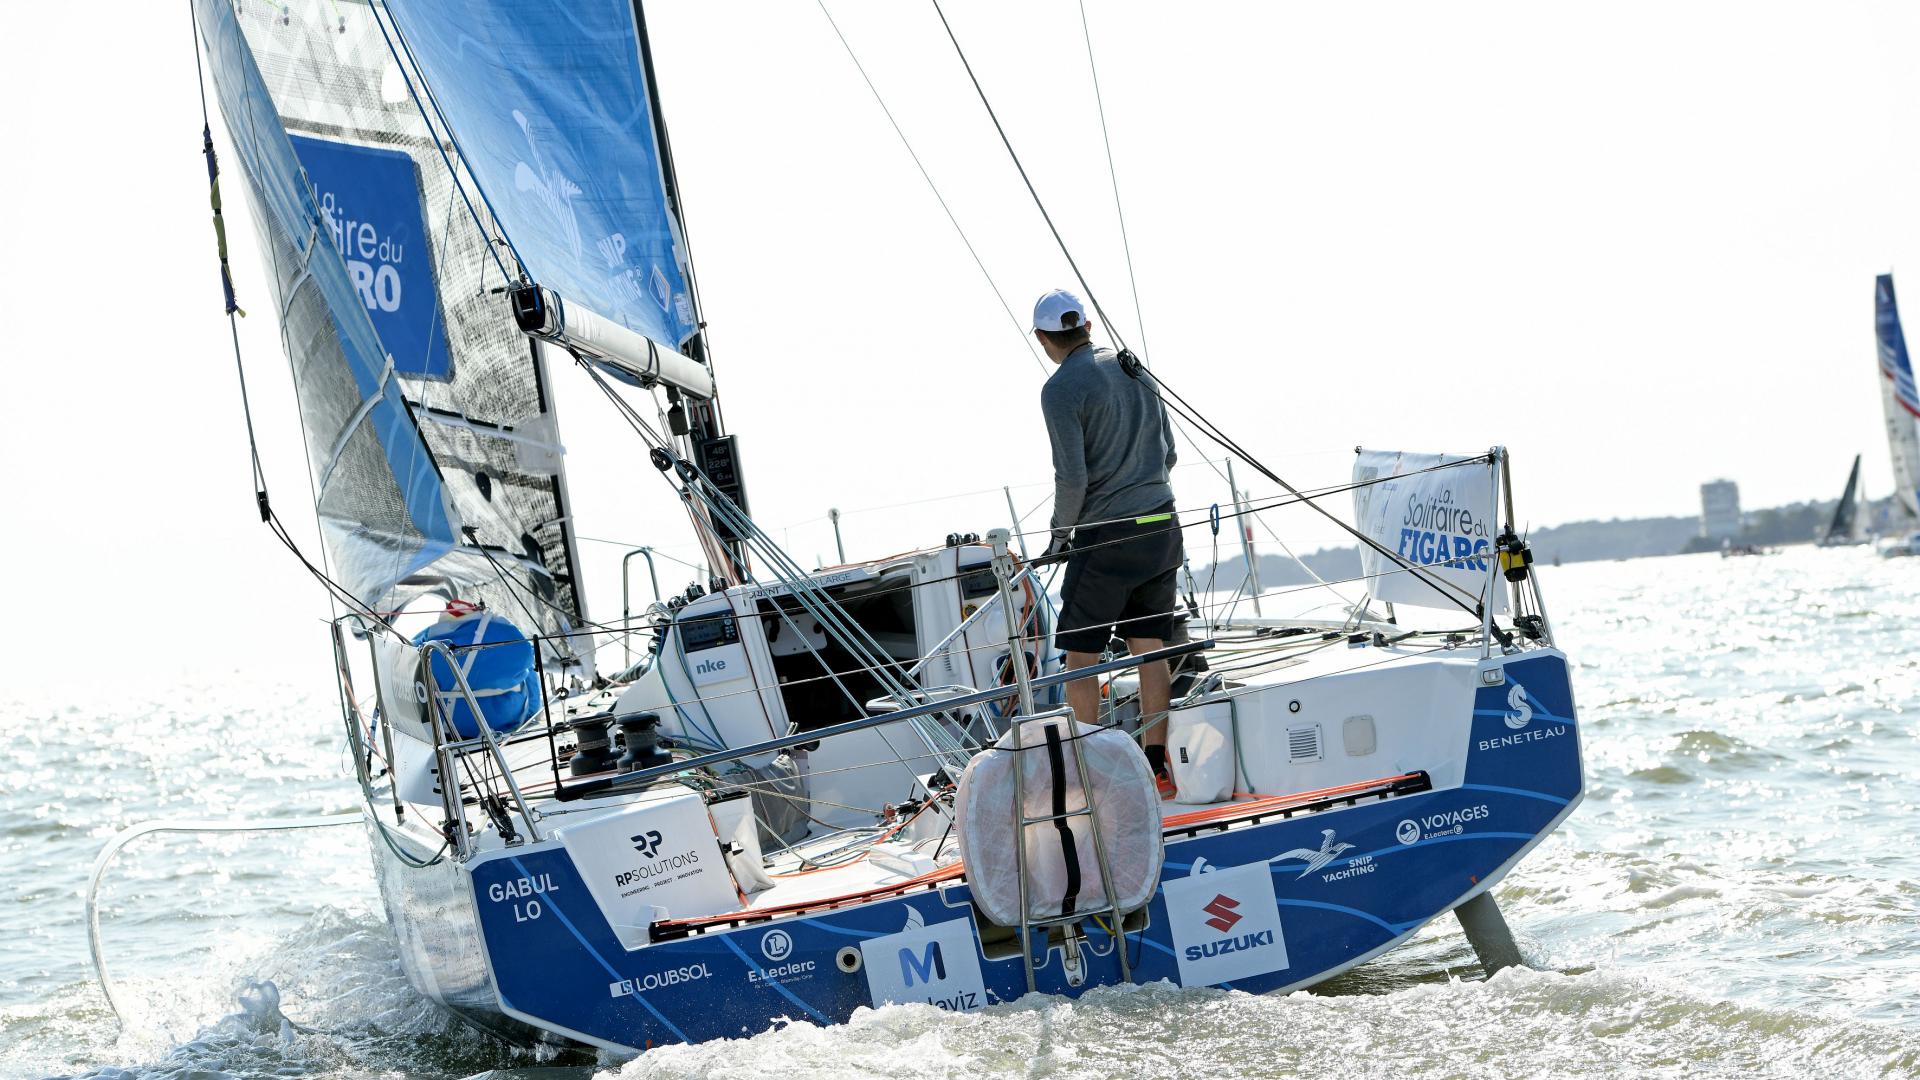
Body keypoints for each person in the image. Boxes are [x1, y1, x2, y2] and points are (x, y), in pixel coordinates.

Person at [1032, 288, 1183, 784]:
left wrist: (1059, 537)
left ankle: (1088, 776)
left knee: (1081, 655)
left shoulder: (1059, 390)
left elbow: (1071, 477)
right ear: (1088, 327)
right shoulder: (1133, 367)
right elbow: (1169, 454)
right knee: (1150, 644)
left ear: (1042, 338)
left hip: (1107, 539)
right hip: (1162, 525)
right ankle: (1158, 765)